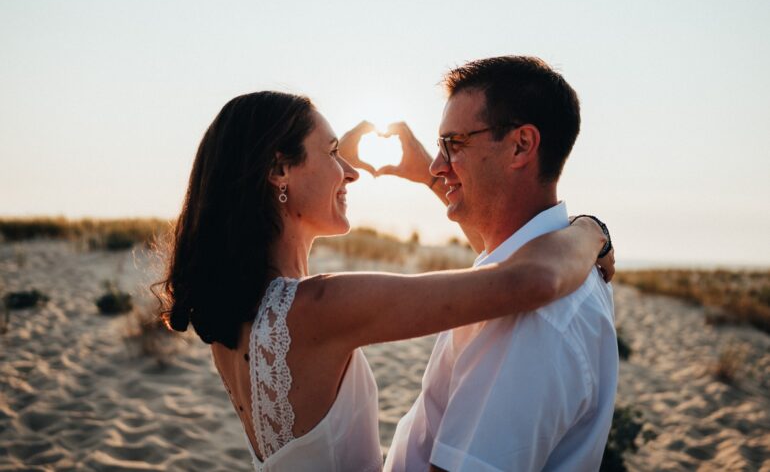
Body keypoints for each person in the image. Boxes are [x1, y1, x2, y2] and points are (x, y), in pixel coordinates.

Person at [154, 90, 613, 472]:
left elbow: (493, 260)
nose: (350, 171)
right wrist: (591, 230)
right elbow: (527, 280)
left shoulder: (235, 315)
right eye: (333, 153)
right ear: (279, 171)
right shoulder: (321, 307)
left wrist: (426, 176)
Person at [348, 56, 618, 472]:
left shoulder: (524, 320)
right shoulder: (552, 260)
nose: (440, 165)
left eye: (453, 144)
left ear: (521, 146)